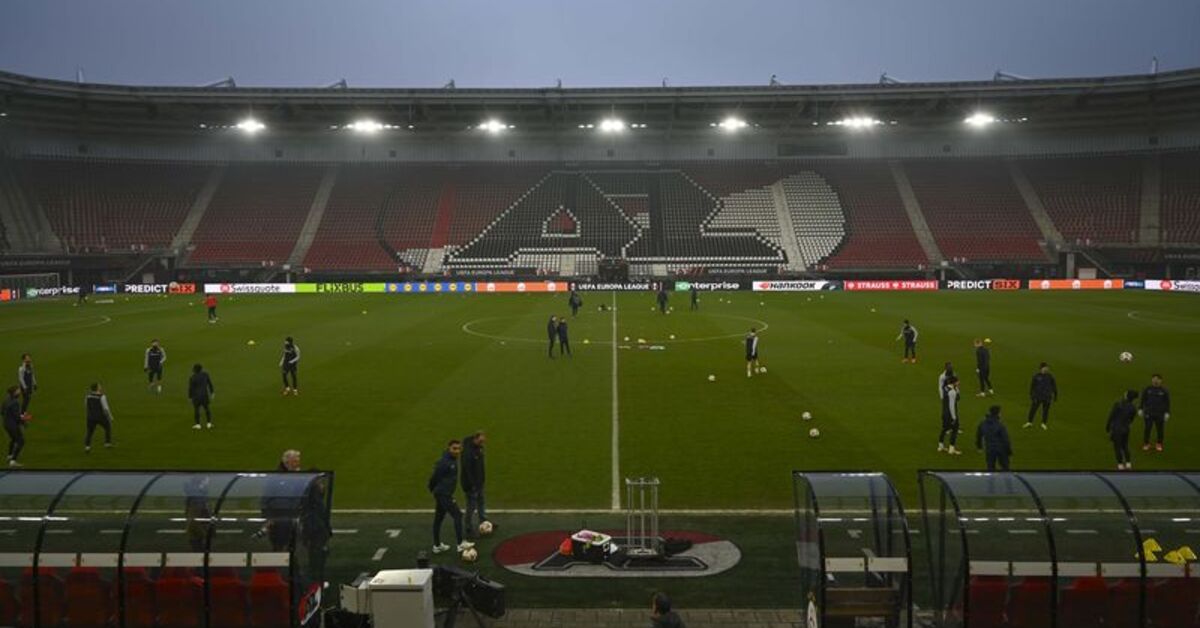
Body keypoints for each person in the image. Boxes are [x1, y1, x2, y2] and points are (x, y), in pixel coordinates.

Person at [428, 440, 474, 555]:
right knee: (457, 515)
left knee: (438, 518)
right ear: (449, 448)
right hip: (444, 494)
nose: (457, 451)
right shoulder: (445, 462)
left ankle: (437, 546)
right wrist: (433, 489)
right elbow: (435, 477)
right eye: (454, 448)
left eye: (459, 449)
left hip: (443, 494)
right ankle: (460, 544)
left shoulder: (452, 460)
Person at [461, 431, 490, 538]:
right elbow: (467, 470)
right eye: (481, 441)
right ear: (476, 439)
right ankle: (468, 527)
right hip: (471, 485)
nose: (482, 443)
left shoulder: (478, 447)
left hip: (479, 482)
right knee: (471, 506)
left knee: (481, 501)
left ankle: (484, 521)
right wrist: (472, 485)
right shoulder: (468, 453)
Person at [1107, 390, 1139, 471]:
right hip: (1126, 429)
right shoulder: (1133, 408)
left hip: (1117, 429)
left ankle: (1120, 465)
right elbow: (1131, 419)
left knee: (1117, 447)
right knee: (1125, 446)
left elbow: (1111, 416)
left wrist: (1107, 426)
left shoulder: (1118, 404)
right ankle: (1128, 463)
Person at [975, 406, 1012, 471]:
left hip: (990, 449)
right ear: (998, 414)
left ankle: (990, 481)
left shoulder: (983, 423)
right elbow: (1005, 439)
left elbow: (978, 435)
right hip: (1001, 449)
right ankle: (1007, 481)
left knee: (990, 469)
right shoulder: (1000, 425)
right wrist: (1009, 450)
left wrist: (979, 446)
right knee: (1006, 468)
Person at [1140, 374, 1171, 452]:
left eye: (1157, 379)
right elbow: (1143, 399)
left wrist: (1167, 412)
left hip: (1159, 414)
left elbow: (1167, 402)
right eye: (1154, 379)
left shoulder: (1164, 390)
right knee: (1147, 428)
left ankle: (1159, 444)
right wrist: (1140, 408)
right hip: (1148, 413)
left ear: (1161, 380)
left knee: (1160, 429)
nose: (1155, 381)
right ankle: (1146, 444)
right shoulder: (1148, 389)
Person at [1025, 362, 1058, 430]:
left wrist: (1055, 395)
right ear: (1041, 368)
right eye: (1045, 367)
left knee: (1045, 411)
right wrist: (1032, 395)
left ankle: (1043, 423)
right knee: (1033, 409)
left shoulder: (1050, 376)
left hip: (1047, 396)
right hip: (1038, 396)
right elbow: (1032, 386)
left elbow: (1054, 386)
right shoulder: (1036, 376)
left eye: (1047, 367)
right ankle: (1029, 422)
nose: (1046, 369)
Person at [84, 383, 115, 452]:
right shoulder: (102, 396)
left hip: (91, 417)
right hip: (100, 417)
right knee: (107, 427)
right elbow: (106, 408)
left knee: (89, 432)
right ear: (97, 388)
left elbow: (86, 405)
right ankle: (107, 443)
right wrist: (110, 417)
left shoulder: (88, 396)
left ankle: (87, 447)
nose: (100, 387)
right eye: (99, 386)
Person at [184, 475, 212, 551]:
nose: (208, 482)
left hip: (197, 536)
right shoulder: (198, 501)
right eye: (206, 481)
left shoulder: (196, 499)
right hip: (198, 537)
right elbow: (193, 522)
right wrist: (205, 535)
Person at [938, 376, 962, 454]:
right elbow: (952, 405)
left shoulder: (945, 388)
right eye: (957, 382)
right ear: (954, 382)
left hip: (944, 412)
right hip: (950, 414)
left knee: (944, 428)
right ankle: (951, 448)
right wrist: (954, 418)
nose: (959, 383)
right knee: (955, 430)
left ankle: (940, 446)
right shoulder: (952, 392)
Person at [188, 363, 214, 429]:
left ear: (195, 370)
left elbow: (190, 388)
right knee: (207, 409)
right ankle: (209, 424)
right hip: (204, 395)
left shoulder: (192, 377)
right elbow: (210, 384)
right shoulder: (205, 375)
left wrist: (190, 397)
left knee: (196, 410)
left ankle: (198, 425)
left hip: (196, 396)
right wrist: (212, 392)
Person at [4, 386, 25, 468]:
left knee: (13, 439)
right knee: (21, 441)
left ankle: (9, 456)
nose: (19, 392)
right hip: (13, 425)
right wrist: (23, 422)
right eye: (18, 391)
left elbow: (2, 411)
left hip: (6, 424)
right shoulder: (15, 402)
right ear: (14, 393)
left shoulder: (6, 399)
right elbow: (17, 416)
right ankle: (13, 461)